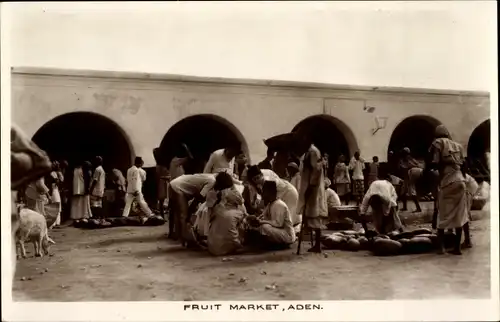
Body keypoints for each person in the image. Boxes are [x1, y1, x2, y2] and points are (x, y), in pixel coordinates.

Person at [11, 124, 52, 285]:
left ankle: (20, 250)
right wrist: (48, 193)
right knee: (37, 216)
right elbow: (42, 170)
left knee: (22, 224)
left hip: (28, 195)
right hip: (35, 196)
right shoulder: (37, 171)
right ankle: (27, 249)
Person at [428, 125, 468, 255]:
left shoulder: (438, 143)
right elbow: (464, 165)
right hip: (461, 181)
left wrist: (430, 169)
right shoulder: (458, 145)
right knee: (459, 215)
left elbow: (435, 162)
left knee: (442, 214)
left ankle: (442, 248)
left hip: (448, 182)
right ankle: (457, 248)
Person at [296, 134, 328, 253]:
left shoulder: (313, 152)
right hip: (308, 185)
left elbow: (317, 169)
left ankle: (318, 244)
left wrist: (311, 186)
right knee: (310, 213)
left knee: (315, 214)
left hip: (313, 187)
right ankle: (316, 244)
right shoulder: (307, 153)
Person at [246, 165, 300, 232]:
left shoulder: (268, 181)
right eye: (254, 179)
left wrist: (260, 216)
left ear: (261, 174)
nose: (257, 181)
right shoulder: (262, 179)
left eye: (258, 178)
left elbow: (268, 202)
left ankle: (293, 233)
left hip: (289, 193)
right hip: (282, 192)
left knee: (288, 219)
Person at [169, 173, 217, 243]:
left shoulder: (212, 176)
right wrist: (190, 211)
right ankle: (185, 238)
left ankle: (177, 234)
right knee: (183, 214)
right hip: (178, 187)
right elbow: (199, 197)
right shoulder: (212, 181)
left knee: (176, 211)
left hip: (175, 183)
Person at [205, 173, 247, 255]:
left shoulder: (211, 194)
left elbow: (209, 212)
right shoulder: (236, 210)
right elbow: (241, 201)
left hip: (212, 246)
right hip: (224, 249)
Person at [247, 181, 296, 249]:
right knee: (255, 226)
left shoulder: (279, 204)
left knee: (265, 227)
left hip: (287, 235)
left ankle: (278, 244)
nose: (263, 195)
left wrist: (262, 222)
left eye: (264, 192)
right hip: (279, 231)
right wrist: (256, 219)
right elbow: (262, 216)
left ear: (270, 192)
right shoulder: (270, 204)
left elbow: (278, 224)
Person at [359, 170, 404, 235]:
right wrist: (366, 231)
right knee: (378, 220)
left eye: (377, 207)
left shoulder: (387, 199)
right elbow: (362, 214)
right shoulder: (367, 198)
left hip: (391, 196)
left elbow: (387, 213)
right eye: (374, 207)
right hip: (380, 192)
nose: (376, 209)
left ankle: (401, 230)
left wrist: (383, 232)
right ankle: (383, 231)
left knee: (394, 216)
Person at [122, 157, 153, 223]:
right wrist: (136, 190)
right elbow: (135, 180)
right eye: (141, 163)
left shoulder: (129, 169)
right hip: (136, 189)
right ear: (138, 163)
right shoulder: (136, 170)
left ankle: (124, 215)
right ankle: (149, 214)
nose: (141, 165)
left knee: (128, 203)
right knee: (142, 202)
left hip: (130, 189)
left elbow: (128, 180)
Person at [398, 147, 422, 212]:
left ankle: (418, 208)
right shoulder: (411, 158)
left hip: (410, 173)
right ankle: (405, 207)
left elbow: (404, 169)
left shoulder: (404, 159)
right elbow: (419, 165)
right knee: (403, 192)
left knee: (411, 190)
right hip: (415, 172)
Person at [153, 148, 170, 217]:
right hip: (162, 183)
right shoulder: (162, 167)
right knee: (162, 200)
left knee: (161, 200)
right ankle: (162, 215)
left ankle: (162, 214)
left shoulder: (158, 166)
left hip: (161, 183)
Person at [89, 156, 106, 221]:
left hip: (96, 189)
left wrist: (91, 189)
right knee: (99, 204)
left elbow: (95, 180)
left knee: (94, 204)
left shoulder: (97, 169)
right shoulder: (102, 169)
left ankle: (96, 217)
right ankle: (101, 217)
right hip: (100, 189)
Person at [48, 161, 63, 228]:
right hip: (53, 190)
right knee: (55, 205)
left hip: (55, 190)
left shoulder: (56, 173)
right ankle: (54, 223)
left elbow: (60, 182)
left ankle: (56, 222)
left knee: (56, 205)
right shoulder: (53, 173)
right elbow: (56, 182)